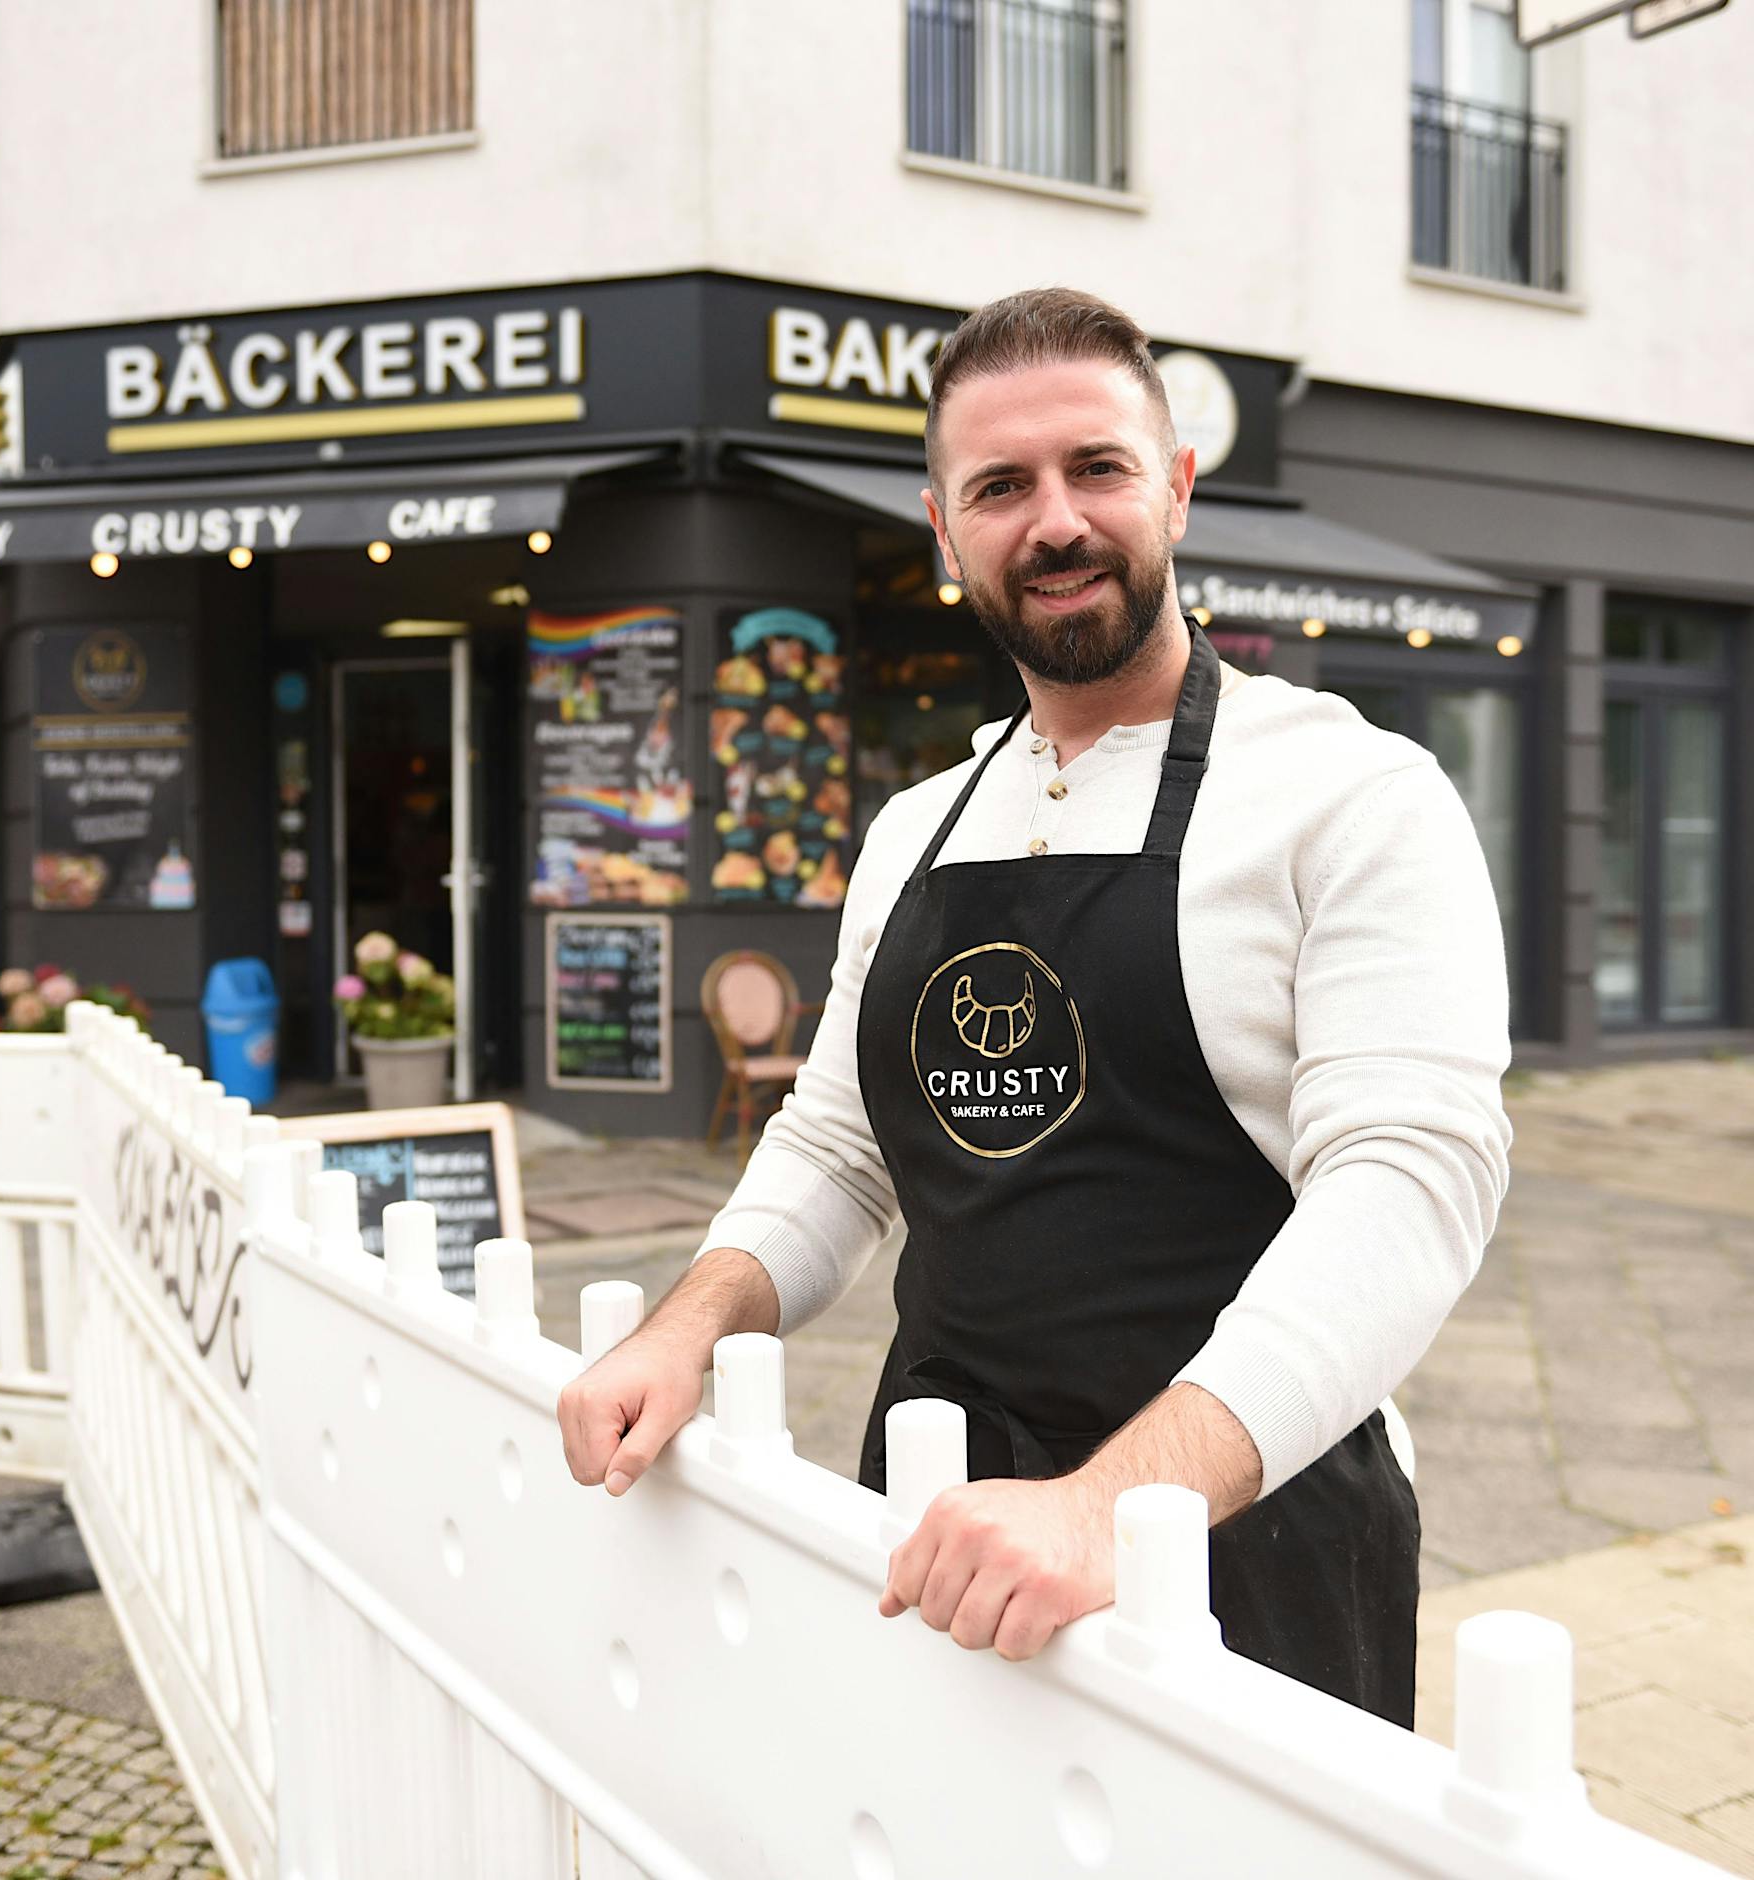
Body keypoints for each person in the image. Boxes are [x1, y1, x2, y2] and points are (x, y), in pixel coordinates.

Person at [556, 287, 1511, 1727]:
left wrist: (1111, 1508)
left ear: (1178, 487)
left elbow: (1410, 1185)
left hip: (1249, 1538)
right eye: (1001, 486)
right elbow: (837, 1148)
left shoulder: (1351, 793)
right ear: (946, 533)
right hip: (943, 1520)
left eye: (1098, 469)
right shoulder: (915, 826)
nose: (1054, 521)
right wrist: (694, 1321)